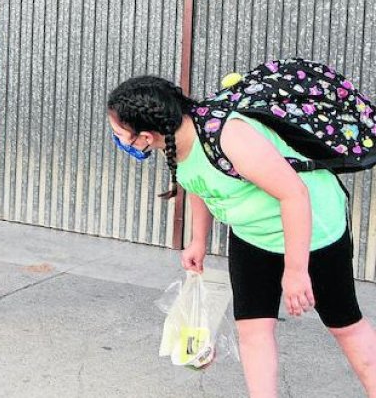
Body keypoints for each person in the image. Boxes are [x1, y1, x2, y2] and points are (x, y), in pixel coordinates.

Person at [107, 76, 376, 397]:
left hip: (313, 230)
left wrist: (295, 270)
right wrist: (198, 240)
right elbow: (197, 182)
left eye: (120, 135)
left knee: (345, 326)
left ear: (145, 136)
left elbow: (295, 194)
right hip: (252, 234)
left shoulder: (228, 136)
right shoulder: (176, 139)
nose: (118, 140)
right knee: (252, 330)